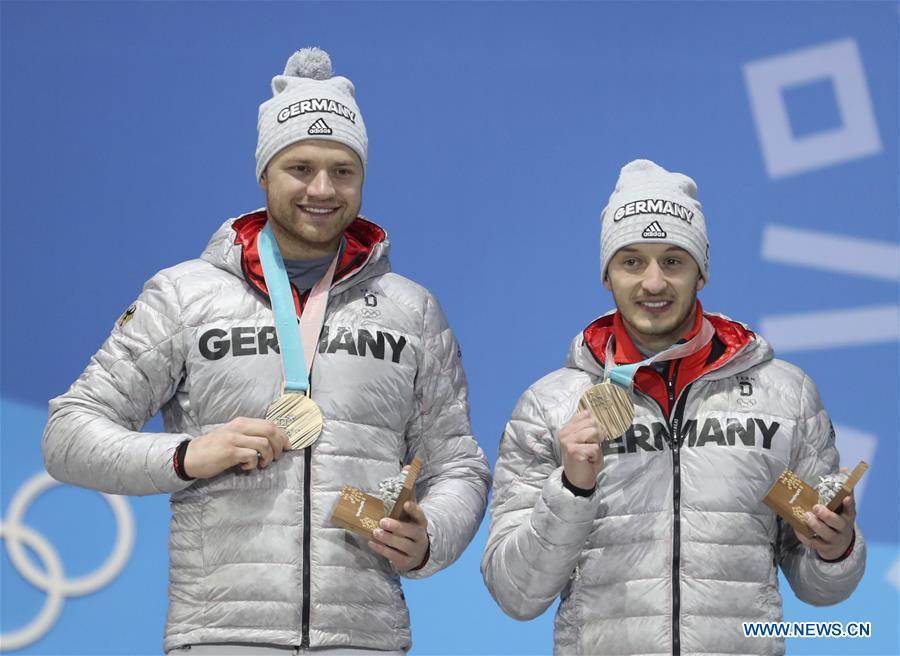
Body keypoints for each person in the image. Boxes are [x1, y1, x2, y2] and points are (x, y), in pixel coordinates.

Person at [43, 47, 490, 655]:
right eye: (300, 167)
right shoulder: (185, 296)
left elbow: (458, 464)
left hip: (364, 639)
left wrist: (432, 534)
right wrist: (188, 454)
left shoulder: (411, 311)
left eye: (343, 170)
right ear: (264, 173)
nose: (323, 189)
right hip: (222, 637)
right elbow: (67, 435)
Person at [481, 159, 865, 655]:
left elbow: (820, 587)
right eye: (633, 261)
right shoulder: (549, 405)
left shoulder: (785, 397)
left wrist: (836, 551)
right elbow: (516, 594)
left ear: (701, 270)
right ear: (607, 274)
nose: (654, 283)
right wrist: (571, 488)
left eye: (674, 261)